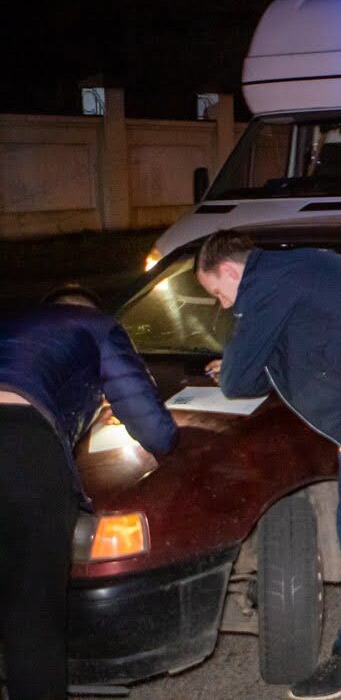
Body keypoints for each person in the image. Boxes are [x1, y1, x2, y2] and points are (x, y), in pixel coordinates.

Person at [194, 230, 341, 700]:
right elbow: (294, 345)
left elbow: (241, 378)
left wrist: (236, 359)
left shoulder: (263, 285)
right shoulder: (291, 270)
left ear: (230, 271)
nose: (222, 305)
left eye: (218, 294)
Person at [0, 285, 177, 700]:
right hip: (21, 450)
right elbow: (152, 426)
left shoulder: (10, 325)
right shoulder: (98, 327)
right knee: (32, 620)